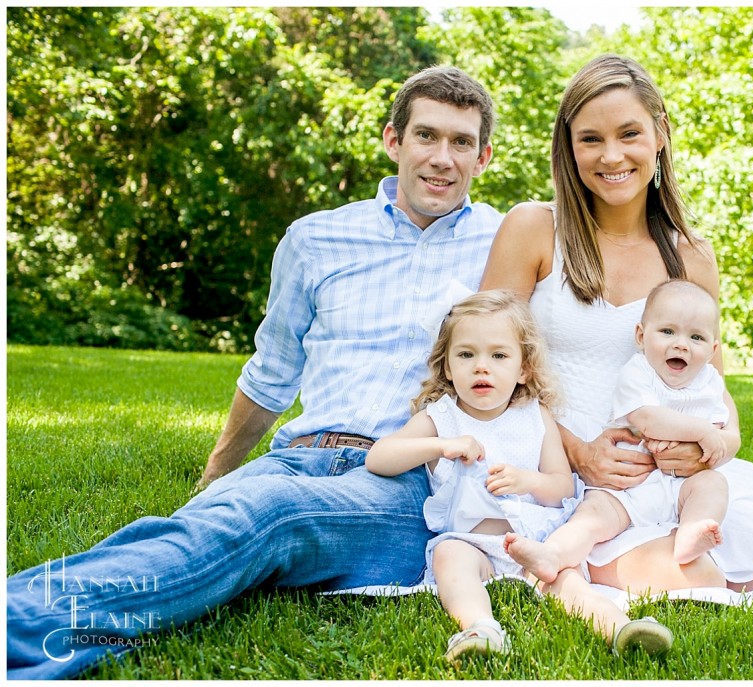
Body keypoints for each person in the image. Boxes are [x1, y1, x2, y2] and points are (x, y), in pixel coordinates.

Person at [7, 65, 503, 680]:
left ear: (483, 158)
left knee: (264, 516)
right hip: (297, 455)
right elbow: (274, 369)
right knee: (200, 527)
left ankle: (16, 626)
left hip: (408, 482)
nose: (442, 159)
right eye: (426, 136)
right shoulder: (316, 237)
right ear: (392, 140)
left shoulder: (508, 243)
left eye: (461, 143)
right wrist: (218, 474)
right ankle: (40, 641)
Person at [480, 54, 753, 598]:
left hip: (669, 478)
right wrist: (579, 452)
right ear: (568, 148)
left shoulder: (692, 256)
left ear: (660, 133)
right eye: (590, 139)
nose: (611, 155)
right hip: (557, 470)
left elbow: (716, 387)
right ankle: (581, 558)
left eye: (629, 133)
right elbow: (481, 369)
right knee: (699, 580)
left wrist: (716, 447)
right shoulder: (533, 229)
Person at [366, 290, 673, 661]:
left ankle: (619, 626)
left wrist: (528, 481)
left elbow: (561, 486)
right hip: (472, 541)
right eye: (466, 355)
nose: (482, 366)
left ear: (523, 368)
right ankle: (481, 628)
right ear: (447, 367)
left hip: (537, 540)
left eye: (499, 355)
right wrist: (440, 446)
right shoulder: (440, 418)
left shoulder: (534, 415)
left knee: (567, 582)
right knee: (450, 557)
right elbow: (378, 458)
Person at [506, 279, 734, 583]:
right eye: (667, 332)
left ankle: (691, 532)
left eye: (696, 337)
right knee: (593, 514)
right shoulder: (638, 372)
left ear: (713, 349)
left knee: (714, 485)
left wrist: (714, 443)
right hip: (627, 483)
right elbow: (646, 418)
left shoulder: (709, 381)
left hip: (683, 484)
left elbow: (722, 426)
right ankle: (554, 554)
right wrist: (702, 432)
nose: (681, 344)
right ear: (641, 336)